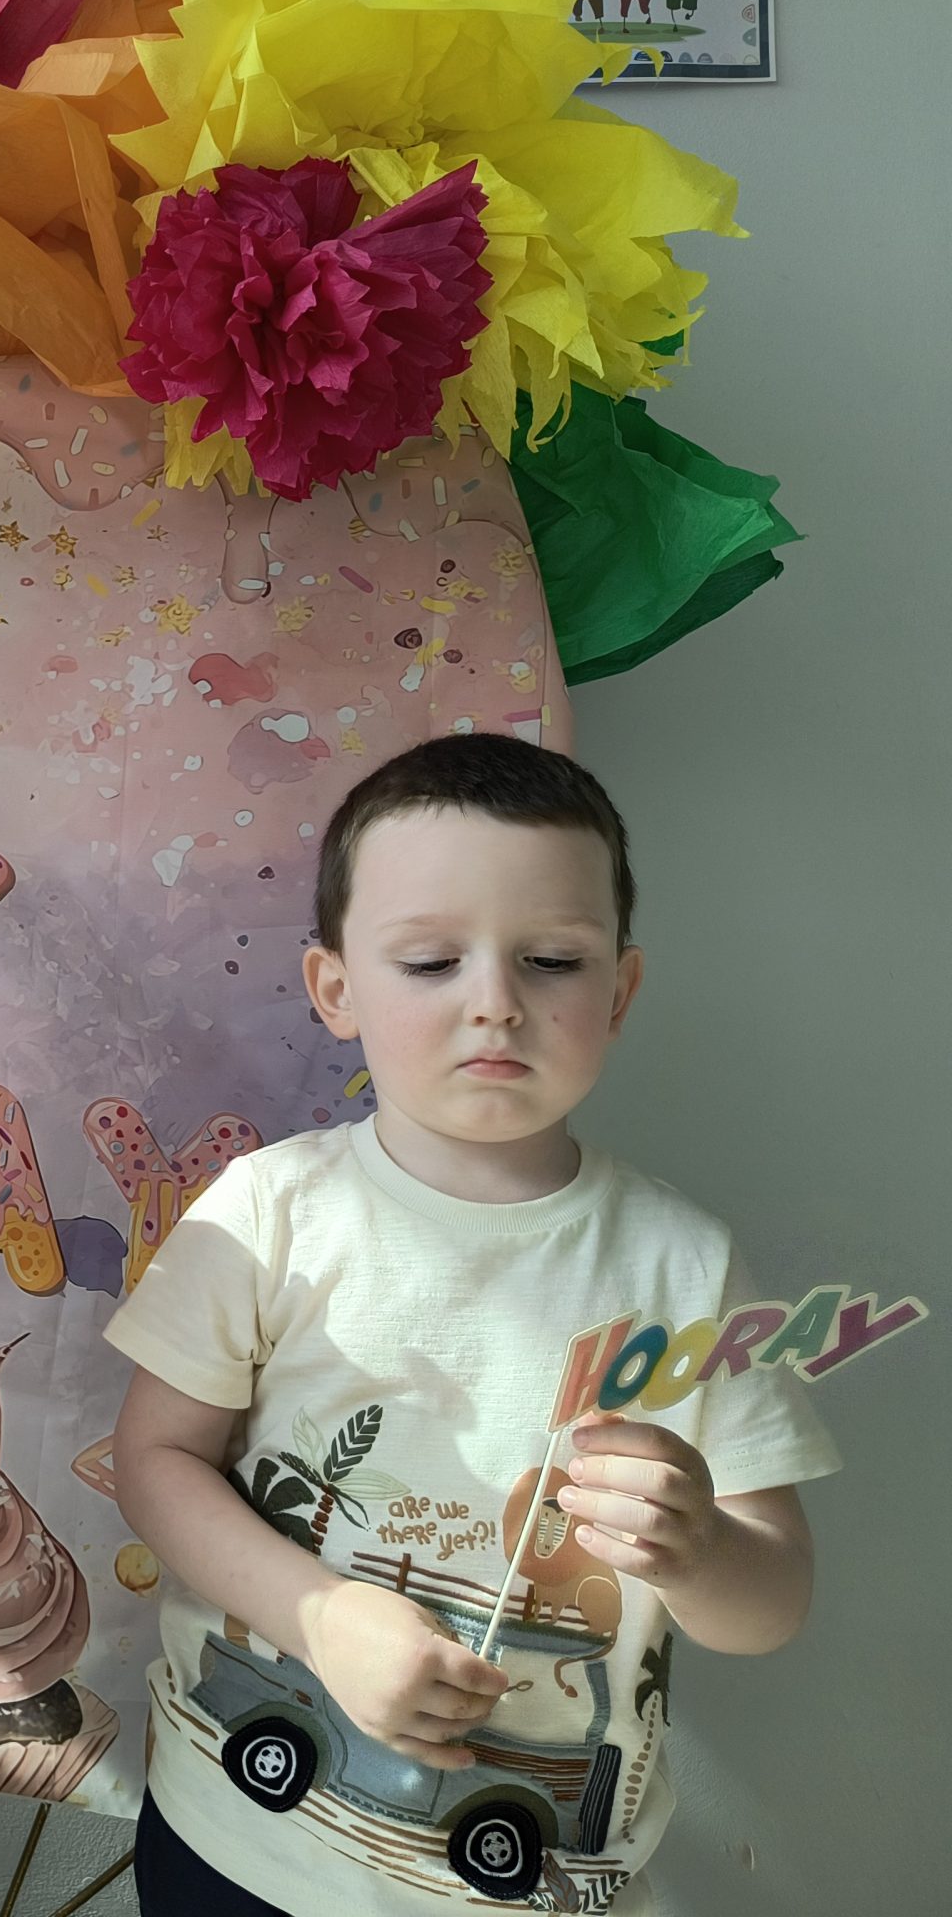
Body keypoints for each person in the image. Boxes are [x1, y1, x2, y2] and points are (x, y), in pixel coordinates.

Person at [106, 734, 838, 1917]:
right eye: (431, 960)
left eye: (551, 960)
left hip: (541, 1880)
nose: (494, 1001)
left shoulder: (687, 1268)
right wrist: (319, 1618)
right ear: (335, 990)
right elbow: (153, 1461)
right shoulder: (266, 1213)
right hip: (240, 1844)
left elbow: (774, 1602)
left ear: (618, 992)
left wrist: (701, 1547)